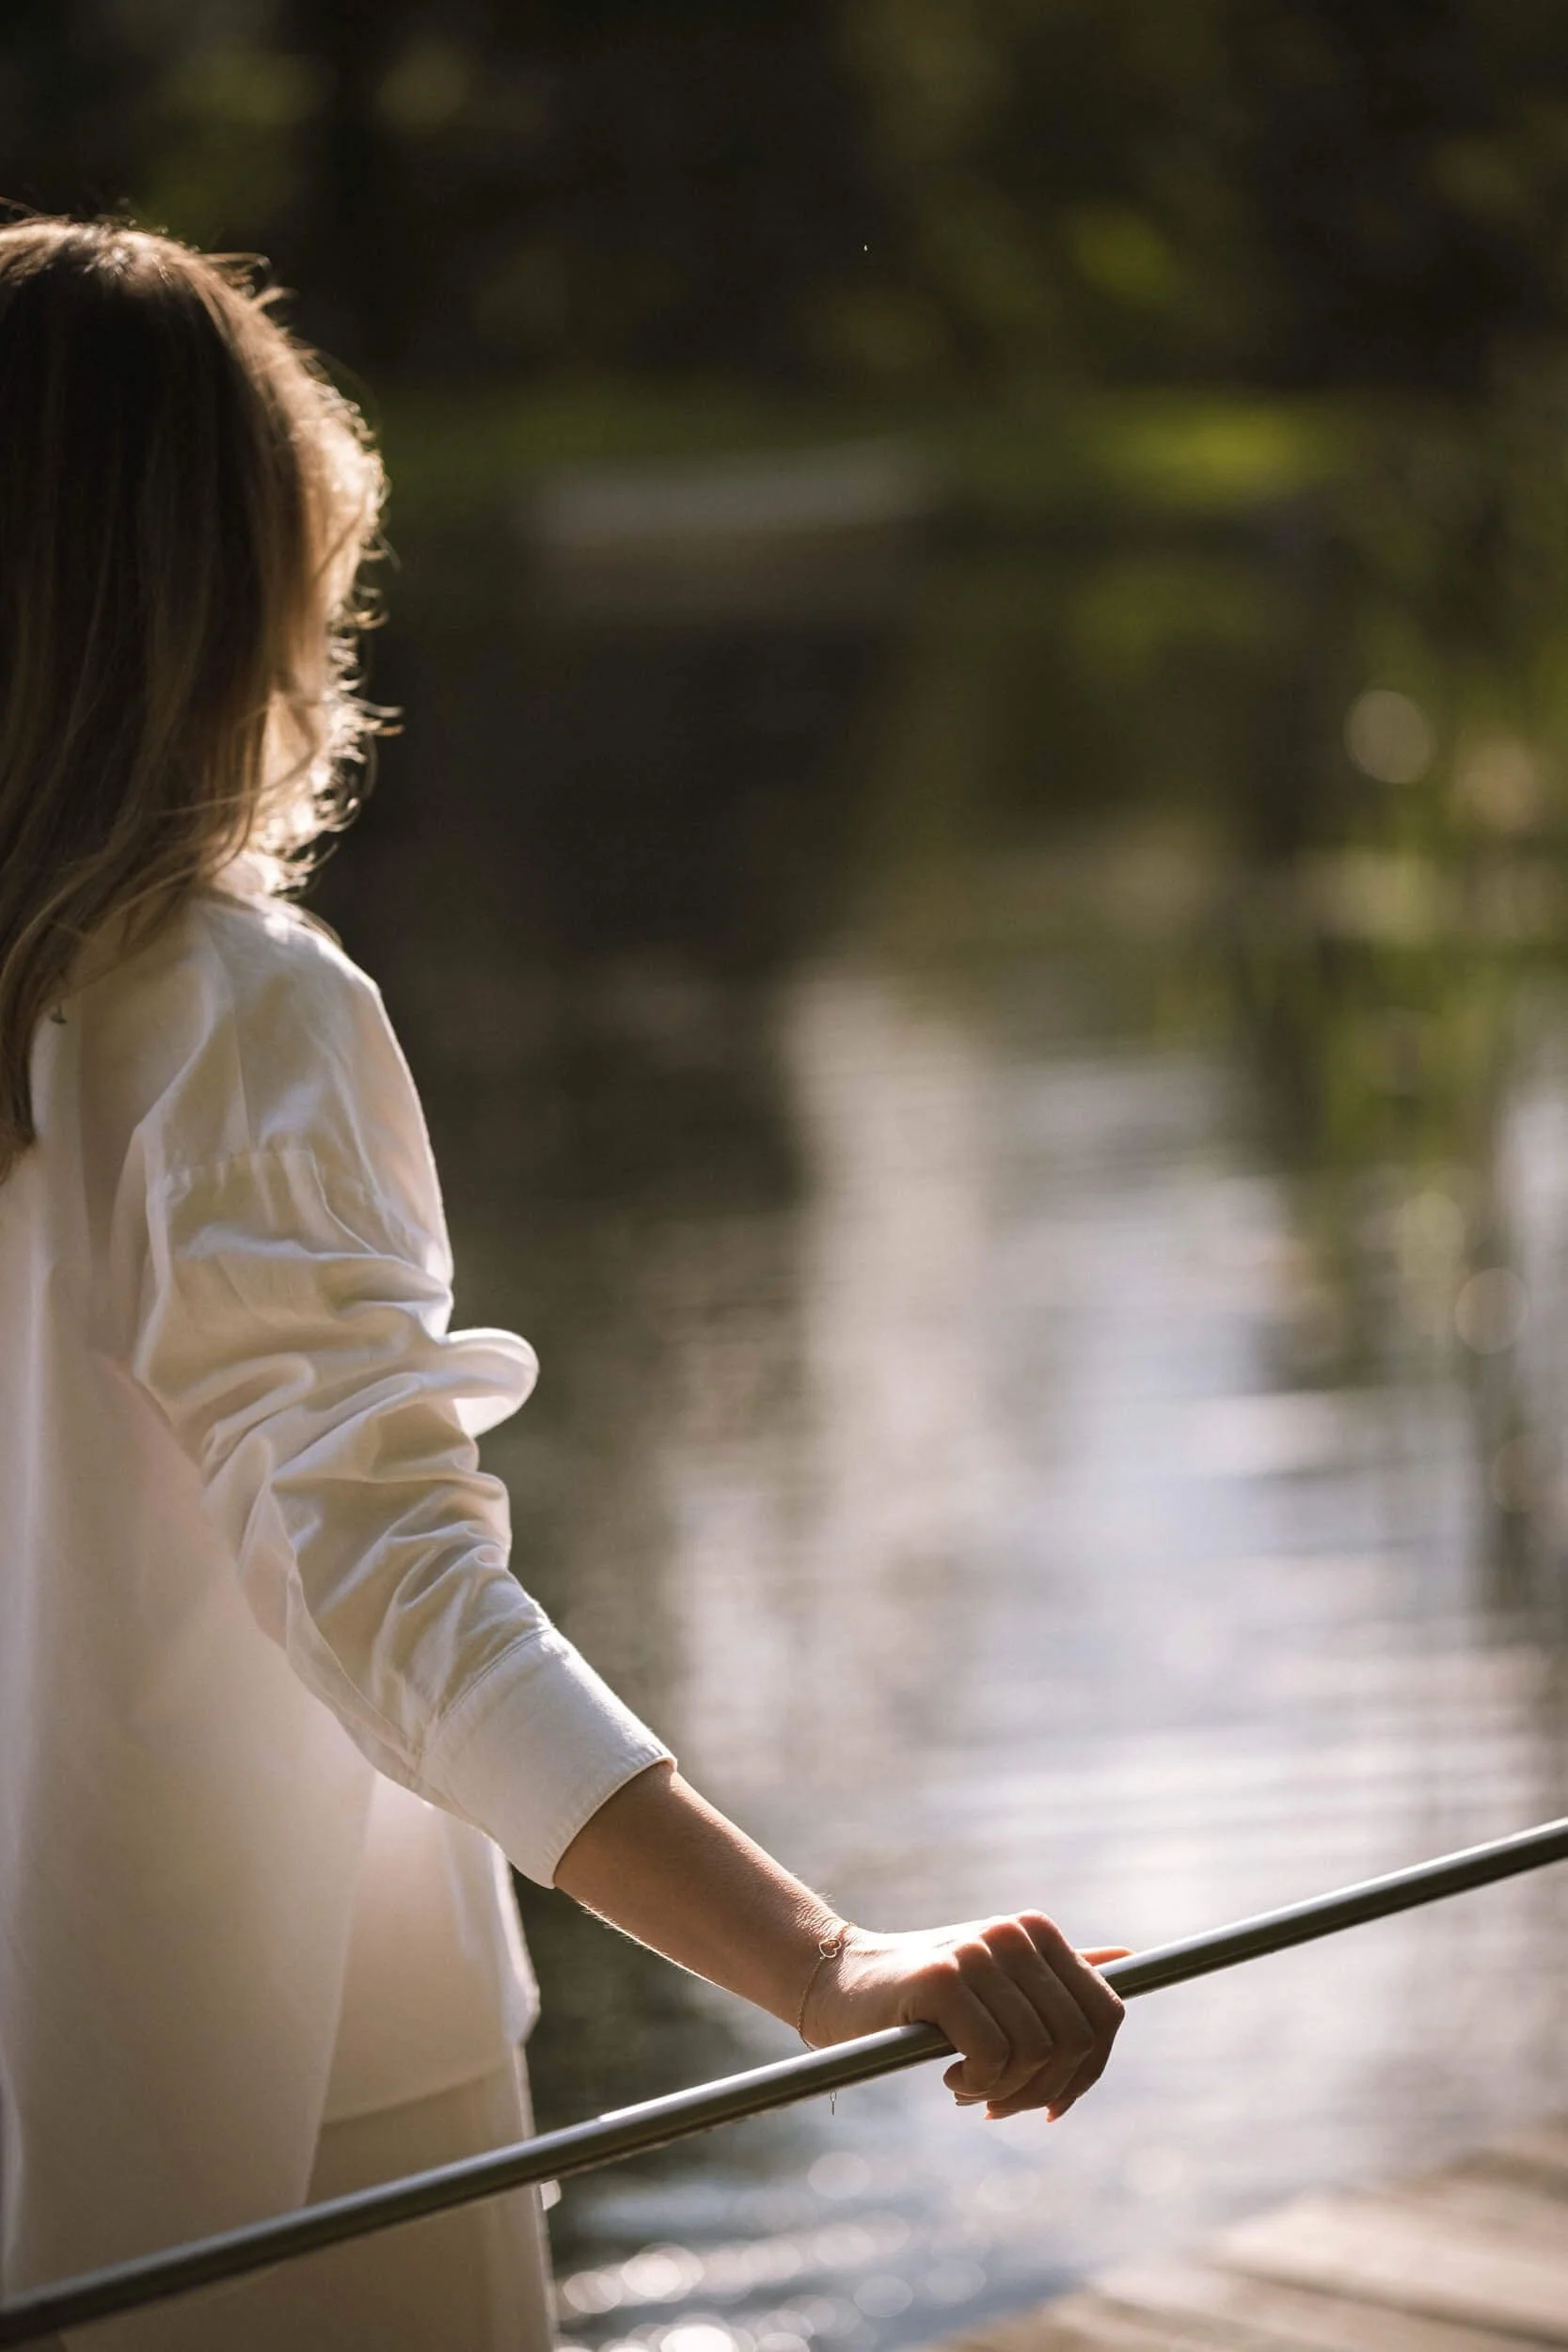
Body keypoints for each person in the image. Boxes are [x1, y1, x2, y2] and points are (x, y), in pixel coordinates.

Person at [0, 217, 1125, 2352]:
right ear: (238, 588)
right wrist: (820, 1964)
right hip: (289, 2131)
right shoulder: (220, 1008)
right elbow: (388, 1575)